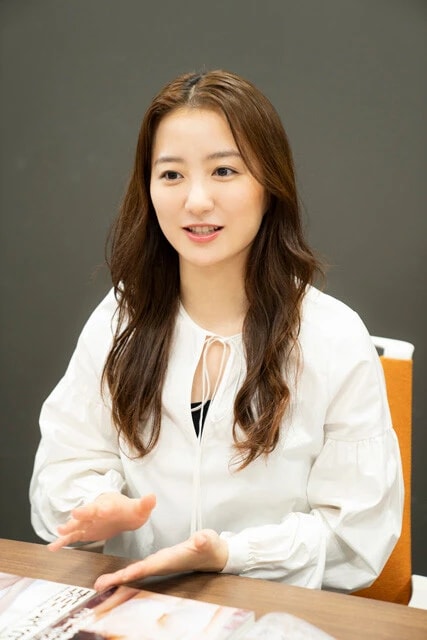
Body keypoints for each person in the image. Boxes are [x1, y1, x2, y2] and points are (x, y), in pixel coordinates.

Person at [30, 70, 403, 594]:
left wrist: (228, 555)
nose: (197, 201)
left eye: (224, 171)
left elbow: (355, 538)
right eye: (171, 174)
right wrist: (97, 507)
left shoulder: (334, 336)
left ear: (270, 186)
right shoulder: (122, 317)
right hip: (136, 606)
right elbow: (63, 471)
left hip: (270, 614)